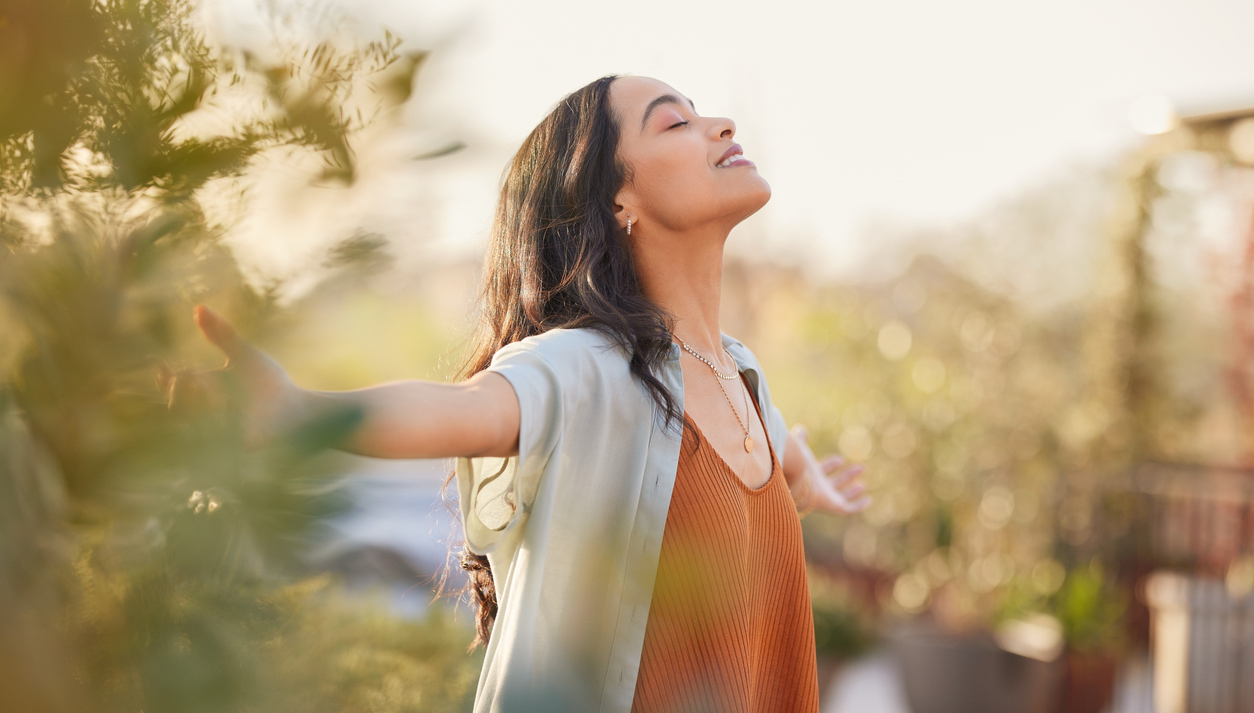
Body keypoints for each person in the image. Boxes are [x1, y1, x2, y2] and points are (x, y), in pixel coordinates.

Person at [193, 74, 870, 713]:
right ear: (617, 201)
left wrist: (802, 473)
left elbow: (769, 448)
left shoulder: (743, 378)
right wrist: (300, 413)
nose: (720, 126)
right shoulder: (588, 368)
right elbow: (467, 410)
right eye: (676, 123)